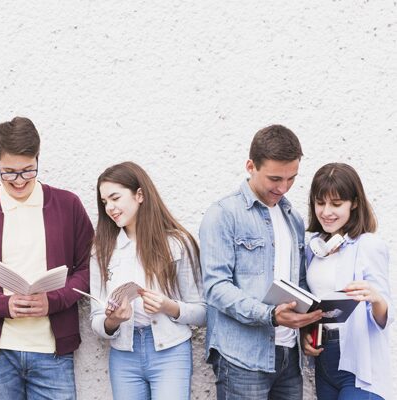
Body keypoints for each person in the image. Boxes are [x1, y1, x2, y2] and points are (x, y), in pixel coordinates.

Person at [0, 117, 94, 400]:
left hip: (53, 351)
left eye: (28, 171)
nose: (19, 181)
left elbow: (90, 270)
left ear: (38, 158)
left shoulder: (68, 206)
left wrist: (51, 300)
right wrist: (2, 304)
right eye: (9, 172)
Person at [199, 125, 323, 399]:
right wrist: (269, 315)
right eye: (275, 178)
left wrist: (306, 325)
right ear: (250, 166)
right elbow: (215, 288)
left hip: (289, 357)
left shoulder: (293, 218)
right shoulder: (223, 214)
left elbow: (297, 282)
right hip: (242, 358)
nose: (283, 187)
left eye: (291, 178)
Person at [89, 161, 205, 400]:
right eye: (104, 202)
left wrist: (168, 306)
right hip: (124, 355)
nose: (109, 207)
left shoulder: (178, 243)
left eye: (115, 198)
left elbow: (203, 312)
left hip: (171, 352)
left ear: (139, 195)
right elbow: (95, 318)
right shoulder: (101, 250)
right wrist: (112, 321)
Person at [301, 163, 393, 399]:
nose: (326, 211)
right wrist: (306, 334)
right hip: (323, 358)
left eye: (336, 204)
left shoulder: (368, 245)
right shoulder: (314, 247)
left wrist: (376, 298)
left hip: (359, 365)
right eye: (320, 203)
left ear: (354, 203)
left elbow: (386, 317)